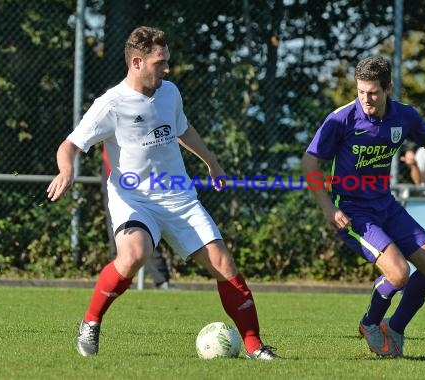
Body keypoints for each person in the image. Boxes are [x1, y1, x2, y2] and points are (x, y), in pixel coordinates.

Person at [47, 26, 277, 360]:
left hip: (179, 197)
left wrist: (211, 163)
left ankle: (255, 346)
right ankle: (91, 322)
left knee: (224, 264)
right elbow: (69, 145)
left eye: (167, 60)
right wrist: (66, 170)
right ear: (137, 62)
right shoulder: (110, 104)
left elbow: (183, 129)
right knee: (133, 255)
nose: (167, 68)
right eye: (160, 62)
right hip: (134, 199)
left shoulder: (169, 93)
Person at [301, 56, 425, 358]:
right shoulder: (341, 119)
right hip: (354, 211)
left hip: (387, 206)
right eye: (361, 92)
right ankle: (370, 323)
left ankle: (394, 327)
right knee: (398, 273)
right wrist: (329, 208)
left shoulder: (404, 116)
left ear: (388, 88)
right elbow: (309, 161)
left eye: (373, 92)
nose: (366, 99)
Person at [102, 147, 176, 291]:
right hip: (115, 185)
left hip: (142, 185)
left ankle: (162, 281)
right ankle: (118, 282)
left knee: (145, 235)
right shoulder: (109, 129)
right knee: (118, 238)